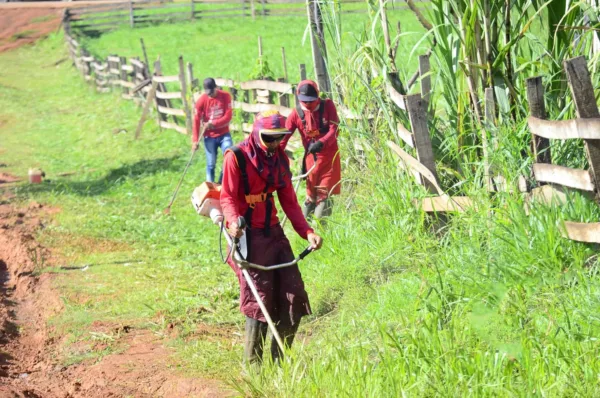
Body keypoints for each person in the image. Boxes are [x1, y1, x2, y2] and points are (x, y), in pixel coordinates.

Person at [220, 110, 323, 365]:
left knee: (293, 293)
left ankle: (280, 361)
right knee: (258, 300)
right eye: (270, 138)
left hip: (273, 233)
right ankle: (253, 366)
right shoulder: (237, 157)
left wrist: (307, 232)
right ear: (256, 134)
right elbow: (228, 197)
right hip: (247, 235)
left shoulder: (279, 159)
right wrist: (233, 223)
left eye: (280, 138)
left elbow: (289, 200)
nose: (275, 144)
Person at [282, 80, 341, 220]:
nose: (308, 104)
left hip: (329, 160)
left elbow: (335, 129)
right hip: (311, 161)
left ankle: (320, 230)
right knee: (311, 196)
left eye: (311, 101)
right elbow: (283, 138)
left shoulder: (328, 106)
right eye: (305, 101)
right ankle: (305, 232)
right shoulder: (295, 114)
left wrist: (322, 142)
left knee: (324, 195)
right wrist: (277, 160)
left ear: (317, 96)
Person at [192, 78, 233, 183]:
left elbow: (228, 116)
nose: (210, 95)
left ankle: (221, 183)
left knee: (230, 156)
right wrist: (195, 140)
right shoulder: (202, 100)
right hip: (209, 136)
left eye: (211, 92)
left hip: (224, 134)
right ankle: (209, 187)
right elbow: (196, 120)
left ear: (216, 87)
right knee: (211, 163)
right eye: (207, 93)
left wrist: (213, 124)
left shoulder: (225, 96)